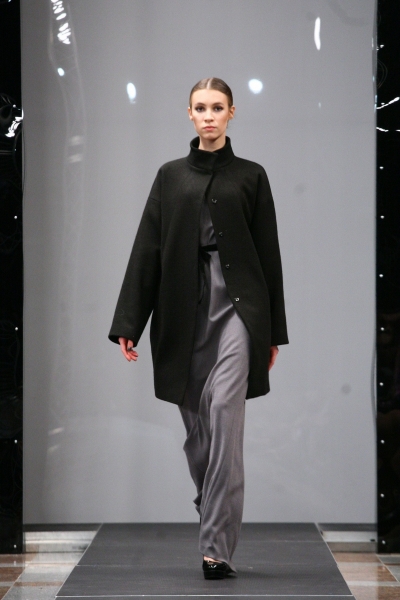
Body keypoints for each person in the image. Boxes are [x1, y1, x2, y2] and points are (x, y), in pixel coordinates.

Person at [109, 77, 288, 580]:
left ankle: (216, 548)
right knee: (199, 436)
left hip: (239, 309)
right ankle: (212, 500)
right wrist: (130, 320)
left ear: (232, 113)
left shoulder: (251, 176)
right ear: (189, 114)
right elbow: (147, 248)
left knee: (226, 417)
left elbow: (269, 254)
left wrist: (272, 331)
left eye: (217, 108)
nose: (209, 116)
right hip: (181, 309)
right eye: (201, 108)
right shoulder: (170, 176)